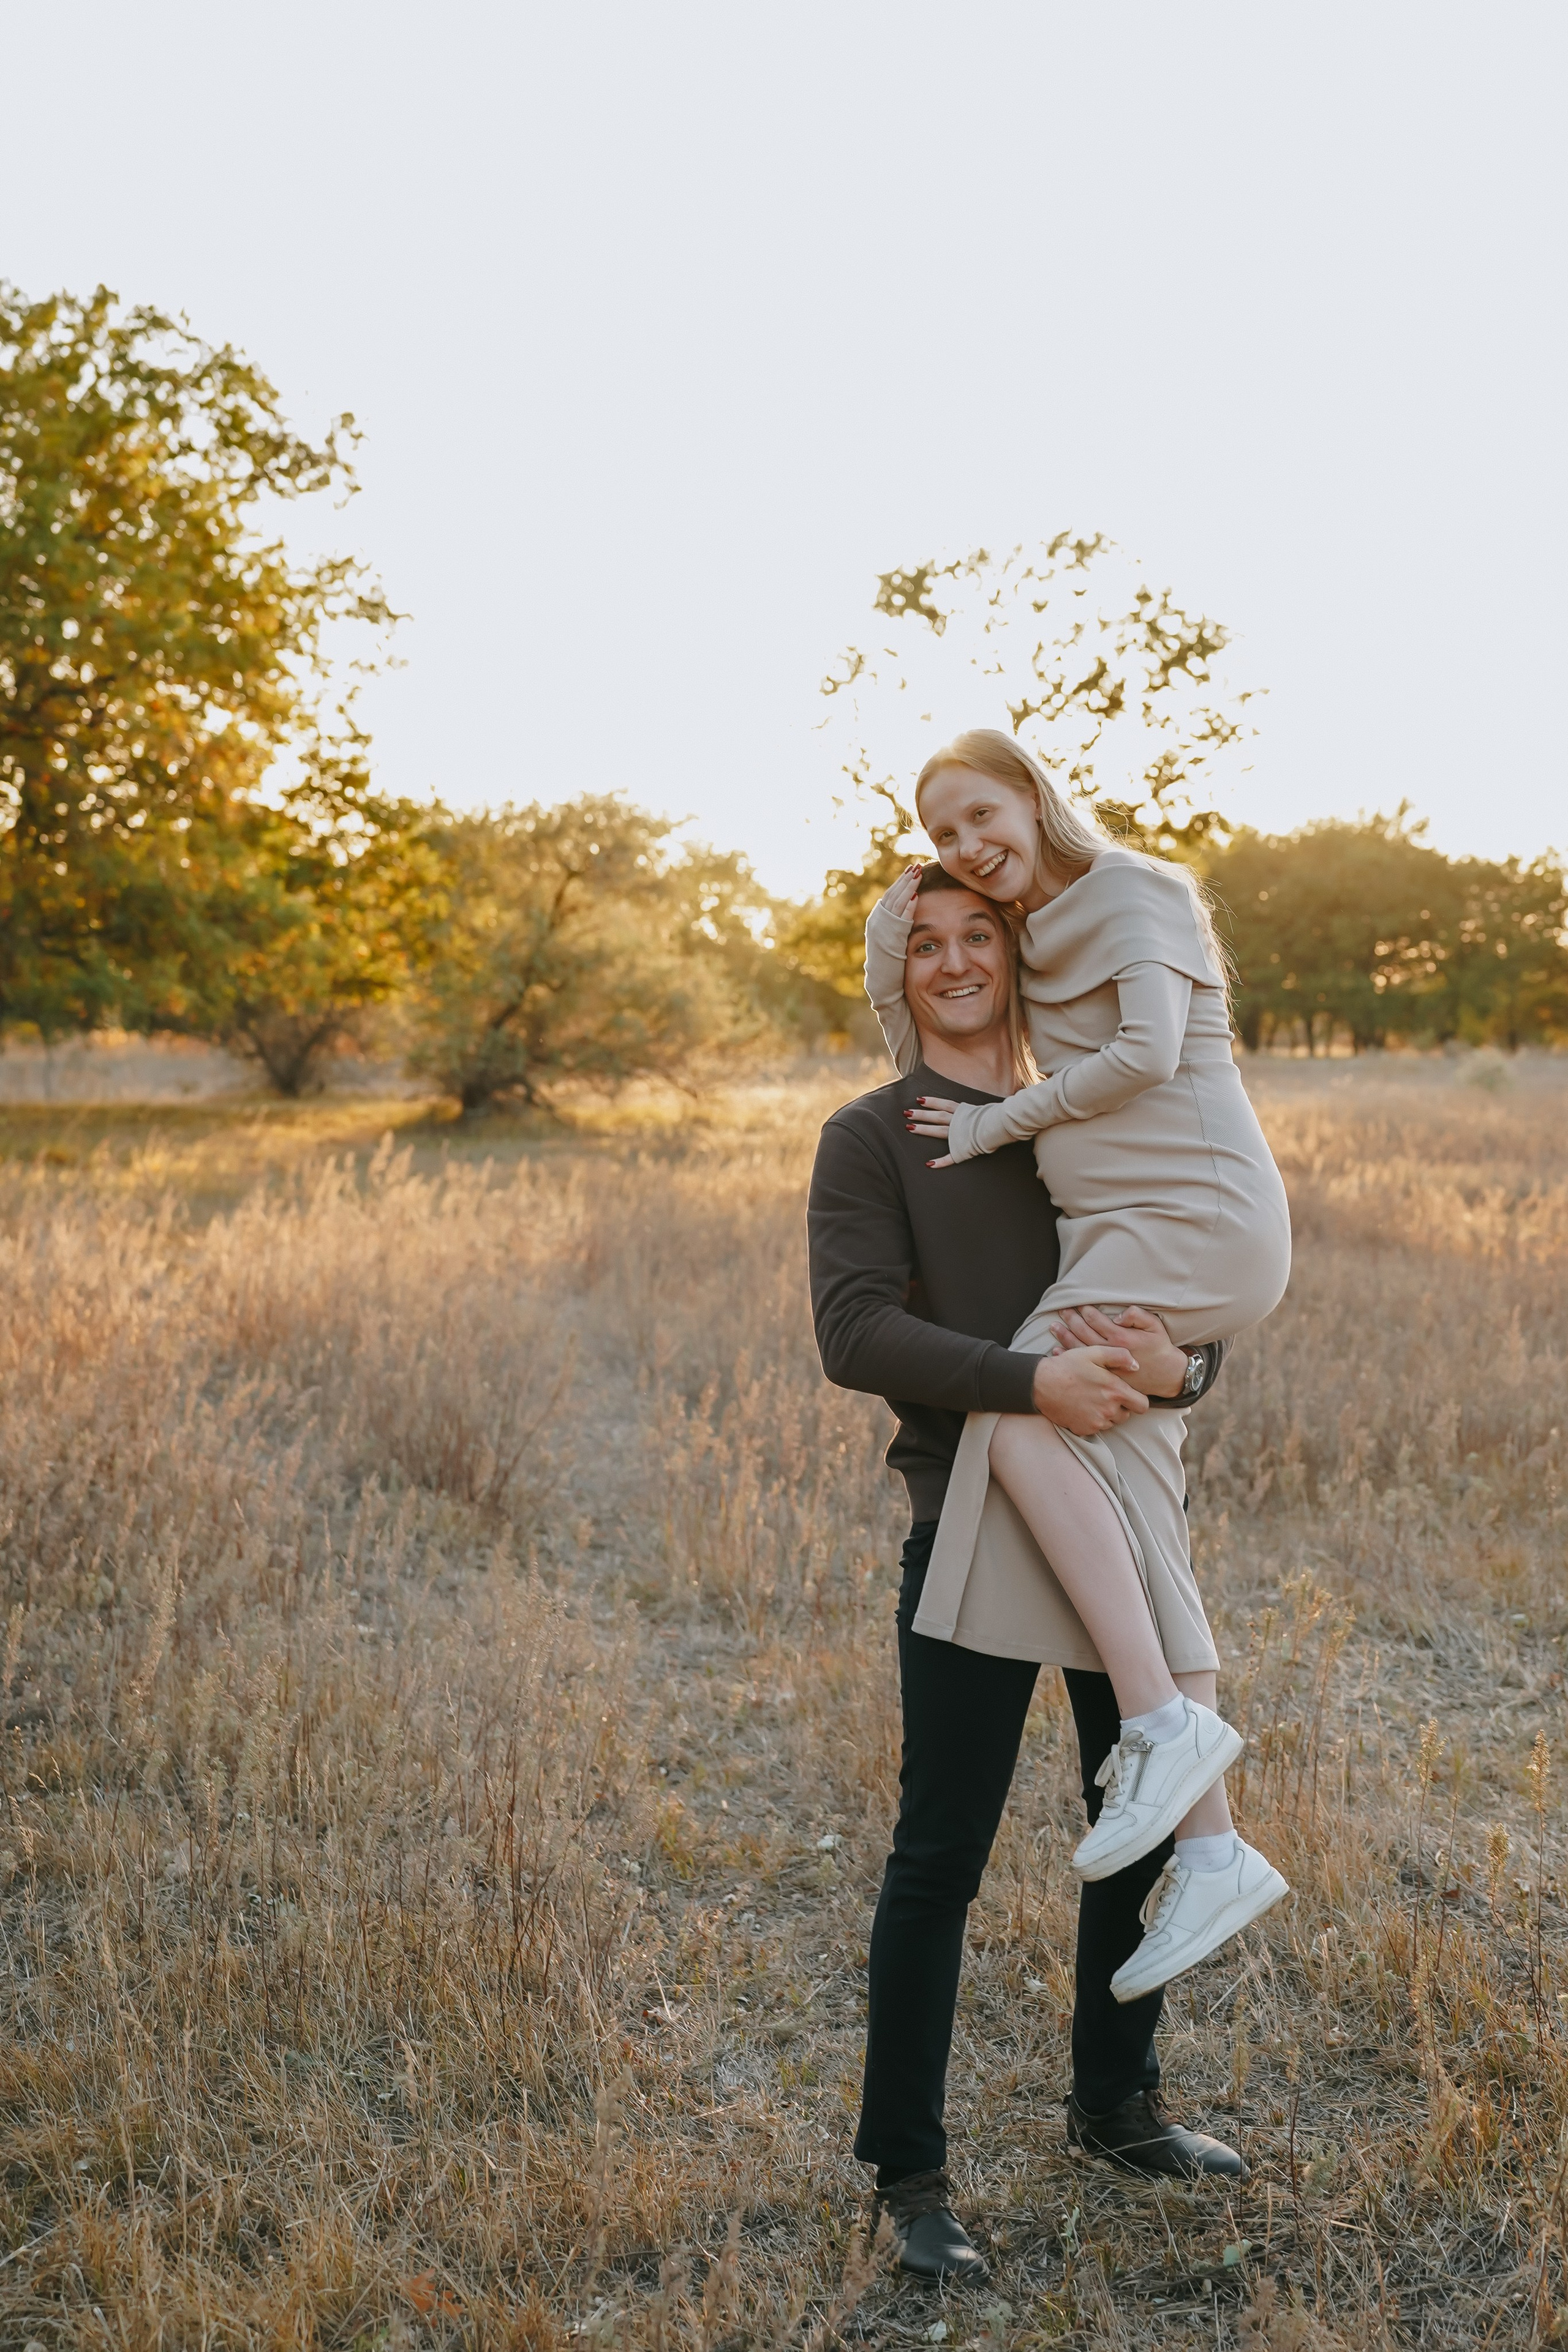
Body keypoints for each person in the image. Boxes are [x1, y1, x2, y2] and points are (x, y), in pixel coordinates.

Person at [809, 865, 1246, 2288]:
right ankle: (911, 2177)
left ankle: (1117, 2108)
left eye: (972, 936)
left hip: (1112, 1507)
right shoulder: (870, 1139)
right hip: (971, 1517)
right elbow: (855, 1331)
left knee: (1134, 1795)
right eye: (919, 945)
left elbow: (1175, 1278)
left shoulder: (1084, 1103)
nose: (949, 963)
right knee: (937, 1854)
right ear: (895, 974)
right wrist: (1026, 1384)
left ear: (1014, 950)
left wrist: (1189, 1368)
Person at [864, 731, 1291, 2003]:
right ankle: (1210, 1851)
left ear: (1031, 795)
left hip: (1192, 1217)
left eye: (976, 814)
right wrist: (895, 928)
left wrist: (1004, 1121)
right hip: (1123, 1236)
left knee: (1020, 1414)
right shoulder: (1027, 933)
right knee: (1137, 1508)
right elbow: (925, 1017)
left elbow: (1152, 1053)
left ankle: (1160, 1727)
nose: (964, 846)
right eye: (941, 835)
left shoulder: (1134, 891)